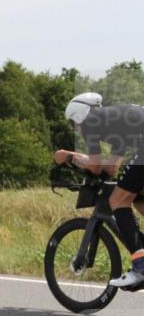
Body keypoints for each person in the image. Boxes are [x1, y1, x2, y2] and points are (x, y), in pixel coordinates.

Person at [53, 93, 144, 289]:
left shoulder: (90, 124)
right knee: (136, 198)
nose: (75, 128)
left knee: (119, 200)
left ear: (78, 114)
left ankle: (141, 267)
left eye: (72, 123)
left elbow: (94, 167)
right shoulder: (114, 123)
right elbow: (111, 169)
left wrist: (68, 156)